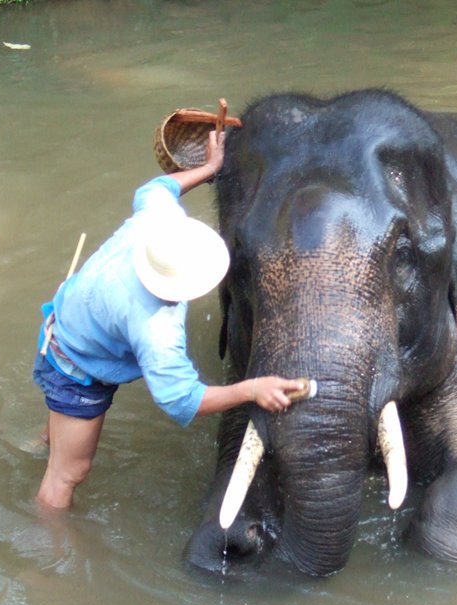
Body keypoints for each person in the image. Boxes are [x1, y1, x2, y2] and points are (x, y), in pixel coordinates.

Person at [32, 130, 303, 510]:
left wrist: (209, 167)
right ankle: (45, 554)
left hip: (65, 321)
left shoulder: (155, 221)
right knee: (67, 474)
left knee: (58, 432)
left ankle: (43, 442)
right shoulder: (155, 323)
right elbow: (181, 400)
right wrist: (250, 389)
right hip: (77, 369)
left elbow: (156, 187)